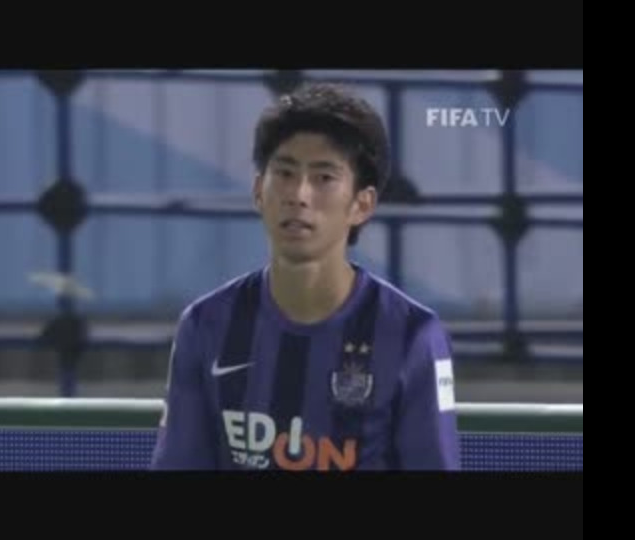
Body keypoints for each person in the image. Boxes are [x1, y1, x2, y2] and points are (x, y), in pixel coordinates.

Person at [149, 83, 461, 471]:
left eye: (324, 177)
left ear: (362, 205)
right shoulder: (205, 325)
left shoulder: (414, 335)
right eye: (284, 172)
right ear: (258, 191)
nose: (299, 194)